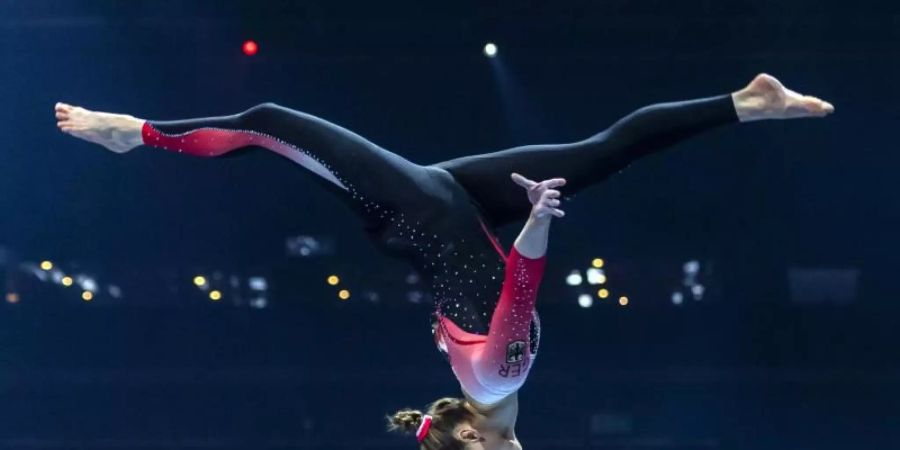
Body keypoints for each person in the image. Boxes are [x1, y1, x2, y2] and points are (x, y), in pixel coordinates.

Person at [55, 73, 833, 450]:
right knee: (599, 154)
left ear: (476, 442)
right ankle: (747, 103)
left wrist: (538, 220)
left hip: (416, 213)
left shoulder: (497, 379)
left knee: (269, 121)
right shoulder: (486, 386)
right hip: (457, 210)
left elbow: (521, 291)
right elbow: (503, 290)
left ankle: (137, 134)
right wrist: (520, 222)